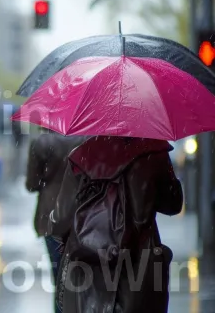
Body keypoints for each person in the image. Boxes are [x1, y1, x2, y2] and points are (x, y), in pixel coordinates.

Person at [49, 136, 183, 313]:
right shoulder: (155, 153)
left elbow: (60, 220)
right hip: (139, 266)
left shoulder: (81, 156)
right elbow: (173, 205)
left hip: (88, 272)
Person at [25, 128, 85, 313]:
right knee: (82, 276)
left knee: (59, 276)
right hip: (81, 215)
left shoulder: (41, 143)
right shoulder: (87, 141)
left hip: (51, 217)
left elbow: (31, 184)